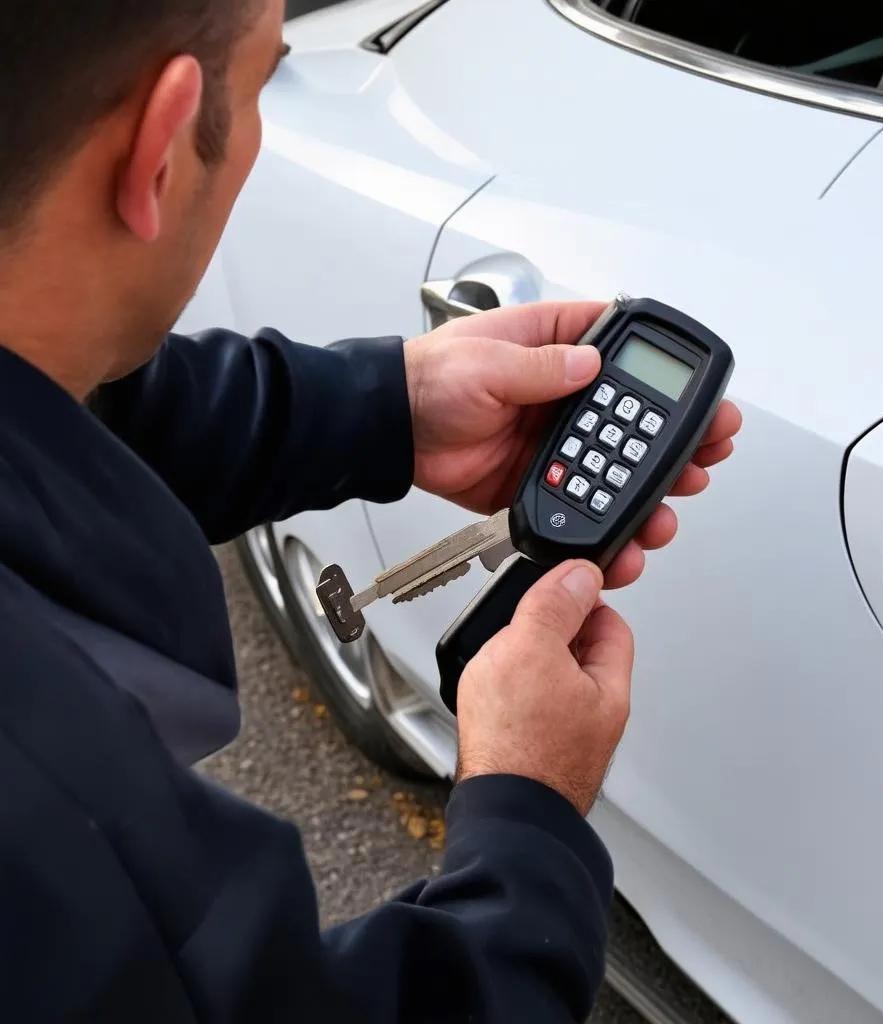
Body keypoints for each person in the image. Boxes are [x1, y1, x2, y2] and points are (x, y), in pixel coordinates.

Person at [0, 0, 741, 1021]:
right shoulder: (49, 798)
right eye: (263, 83)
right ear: (161, 148)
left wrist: (387, 407)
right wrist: (526, 814)